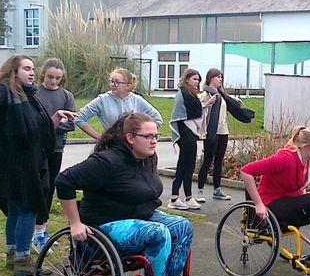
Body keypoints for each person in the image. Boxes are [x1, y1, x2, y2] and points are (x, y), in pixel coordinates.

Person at [55, 112, 198, 276]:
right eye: (148, 136)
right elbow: (63, 180)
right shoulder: (107, 161)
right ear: (130, 138)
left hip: (140, 215)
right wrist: (75, 223)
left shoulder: (149, 157)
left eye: (156, 136)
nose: (154, 141)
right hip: (105, 223)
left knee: (182, 226)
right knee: (158, 233)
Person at [0, 54, 76, 276]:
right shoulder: (5, 90)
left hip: (21, 162)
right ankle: (23, 260)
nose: (31, 72)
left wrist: (56, 117)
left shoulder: (28, 96)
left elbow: (38, 128)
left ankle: (13, 256)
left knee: (16, 210)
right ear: (13, 71)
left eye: (32, 68)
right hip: (16, 163)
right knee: (28, 208)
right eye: (26, 69)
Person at [240, 126, 310, 273]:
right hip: (271, 203)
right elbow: (246, 171)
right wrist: (258, 204)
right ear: (305, 147)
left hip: (288, 201)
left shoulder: (309, 160)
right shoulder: (285, 158)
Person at [31, 58, 76, 252]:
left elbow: (71, 123)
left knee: (49, 187)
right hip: (35, 148)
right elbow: (31, 124)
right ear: (43, 75)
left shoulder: (66, 95)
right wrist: (54, 125)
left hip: (56, 148)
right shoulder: (34, 94)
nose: (53, 81)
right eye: (50, 77)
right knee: (38, 186)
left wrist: (48, 127)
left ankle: (42, 227)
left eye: (57, 78)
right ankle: (35, 229)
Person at [167, 68, 216, 210]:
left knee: (187, 166)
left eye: (198, 79)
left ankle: (184, 197)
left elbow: (196, 110)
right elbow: (191, 112)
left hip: (190, 133)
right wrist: (205, 105)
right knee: (185, 165)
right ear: (187, 79)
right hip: (185, 134)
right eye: (194, 79)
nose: (197, 82)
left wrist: (206, 105)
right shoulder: (183, 93)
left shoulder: (190, 93)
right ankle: (178, 197)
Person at [74, 67, 162, 140]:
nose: (113, 84)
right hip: (111, 146)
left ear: (128, 85)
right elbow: (79, 119)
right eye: (112, 81)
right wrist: (100, 138)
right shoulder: (102, 100)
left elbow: (157, 119)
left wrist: (144, 135)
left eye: (117, 82)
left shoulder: (137, 100)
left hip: (133, 147)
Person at [196, 68, 238, 202]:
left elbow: (226, 104)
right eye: (218, 77)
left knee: (219, 161)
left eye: (221, 77)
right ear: (211, 78)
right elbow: (200, 108)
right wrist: (208, 103)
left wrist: (235, 101)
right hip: (211, 131)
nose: (220, 79)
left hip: (223, 131)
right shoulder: (206, 94)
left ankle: (217, 189)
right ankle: (200, 190)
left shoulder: (221, 95)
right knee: (208, 160)